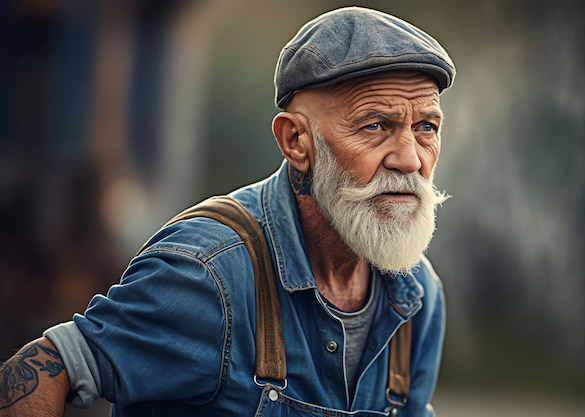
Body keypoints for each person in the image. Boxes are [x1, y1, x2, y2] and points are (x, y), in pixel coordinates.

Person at [0, 6, 455, 417]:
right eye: (376, 126)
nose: (411, 159)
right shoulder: (209, 276)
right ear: (296, 142)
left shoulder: (415, 296)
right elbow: (41, 368)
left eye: (426, 127)